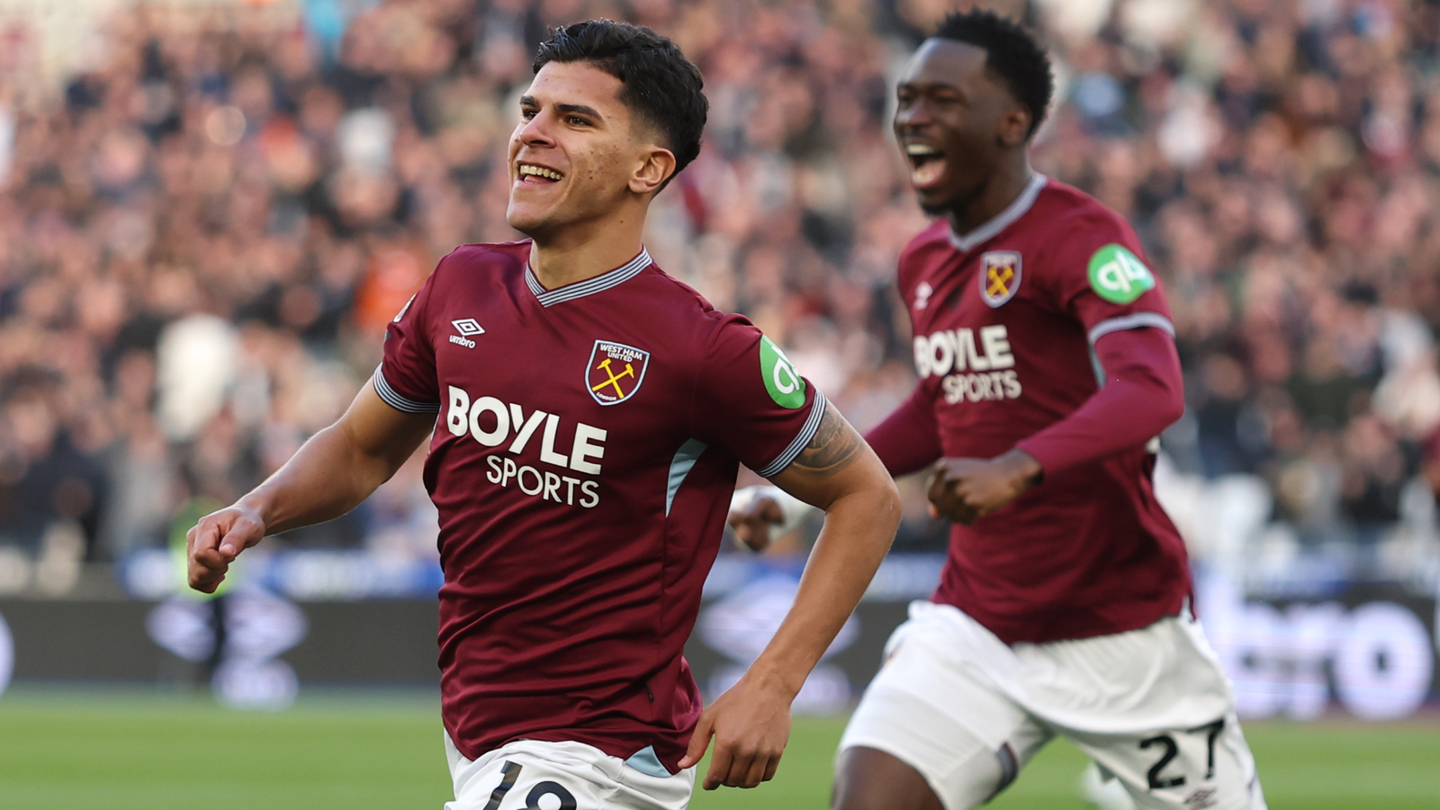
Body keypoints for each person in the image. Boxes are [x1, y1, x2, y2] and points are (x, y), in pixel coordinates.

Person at [187, 20, 900, 810]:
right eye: (531, 110)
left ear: (649, 168)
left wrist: (773, 683)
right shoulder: (461, 287)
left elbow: (867, 494)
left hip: (593, 751)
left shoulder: (702, 349)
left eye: (575, 119)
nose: (533, 133)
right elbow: (360, 448)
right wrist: (256, 510)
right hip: (479, 730)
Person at [730, 11, 1266, 810]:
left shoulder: (1085, 237)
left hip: (1122, 632)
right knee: (867, 798)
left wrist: (1019, 467)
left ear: (1013, 122)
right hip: (977, 625)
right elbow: (940, 403)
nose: (913, 118)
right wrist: (802, 491)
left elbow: (1153, 388)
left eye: (942, 100)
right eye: (907, 99)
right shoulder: (923, 260)